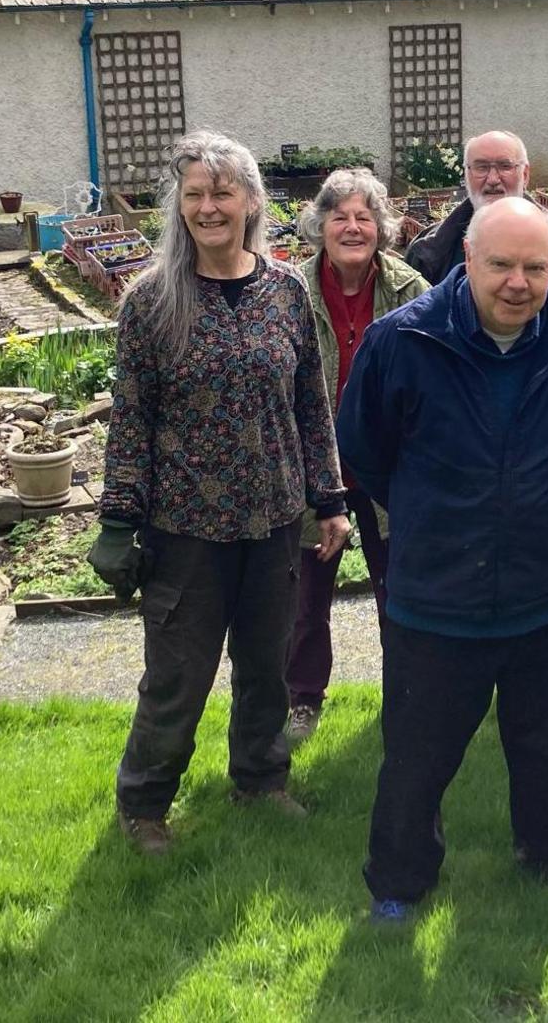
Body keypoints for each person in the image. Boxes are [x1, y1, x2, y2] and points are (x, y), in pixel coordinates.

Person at [338, 197, 548, 924]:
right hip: (437, 592)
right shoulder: (402, 341)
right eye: (501, 265)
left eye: (535, 267)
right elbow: (366, 451)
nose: (518, 283)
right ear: (467, 259)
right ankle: (399, 884)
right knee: (417, 756)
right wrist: (440, 509)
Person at [88, 130, 351, 856]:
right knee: (177, 676)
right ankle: (143, 804)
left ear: (251, 203)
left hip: (272, 521)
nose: (209, 206)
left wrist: (328, 499)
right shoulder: (151, 301)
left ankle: (261, 781)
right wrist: (118, 522)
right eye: (195, 194)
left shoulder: (286, 291)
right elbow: (131, 419)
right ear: (179, 206)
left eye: (223, 192)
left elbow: (310, 404)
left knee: (266, 664)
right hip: (185, 528)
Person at [283, 169, 431, 742]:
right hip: (311, 474)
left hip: (387, 472)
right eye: (339, 216)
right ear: (319, 226)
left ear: (381, 228)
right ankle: (302, 700)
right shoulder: (290, 289)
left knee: (398, 592)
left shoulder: (410, 289)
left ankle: (407, 697)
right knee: (305, 601)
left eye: (364, 217)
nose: (351, 227)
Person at [403, 130, 548, 284]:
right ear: (466, 175)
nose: (493, 179)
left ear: (525, 174)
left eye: (505, 166)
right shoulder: (427, 249)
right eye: (481, 167)